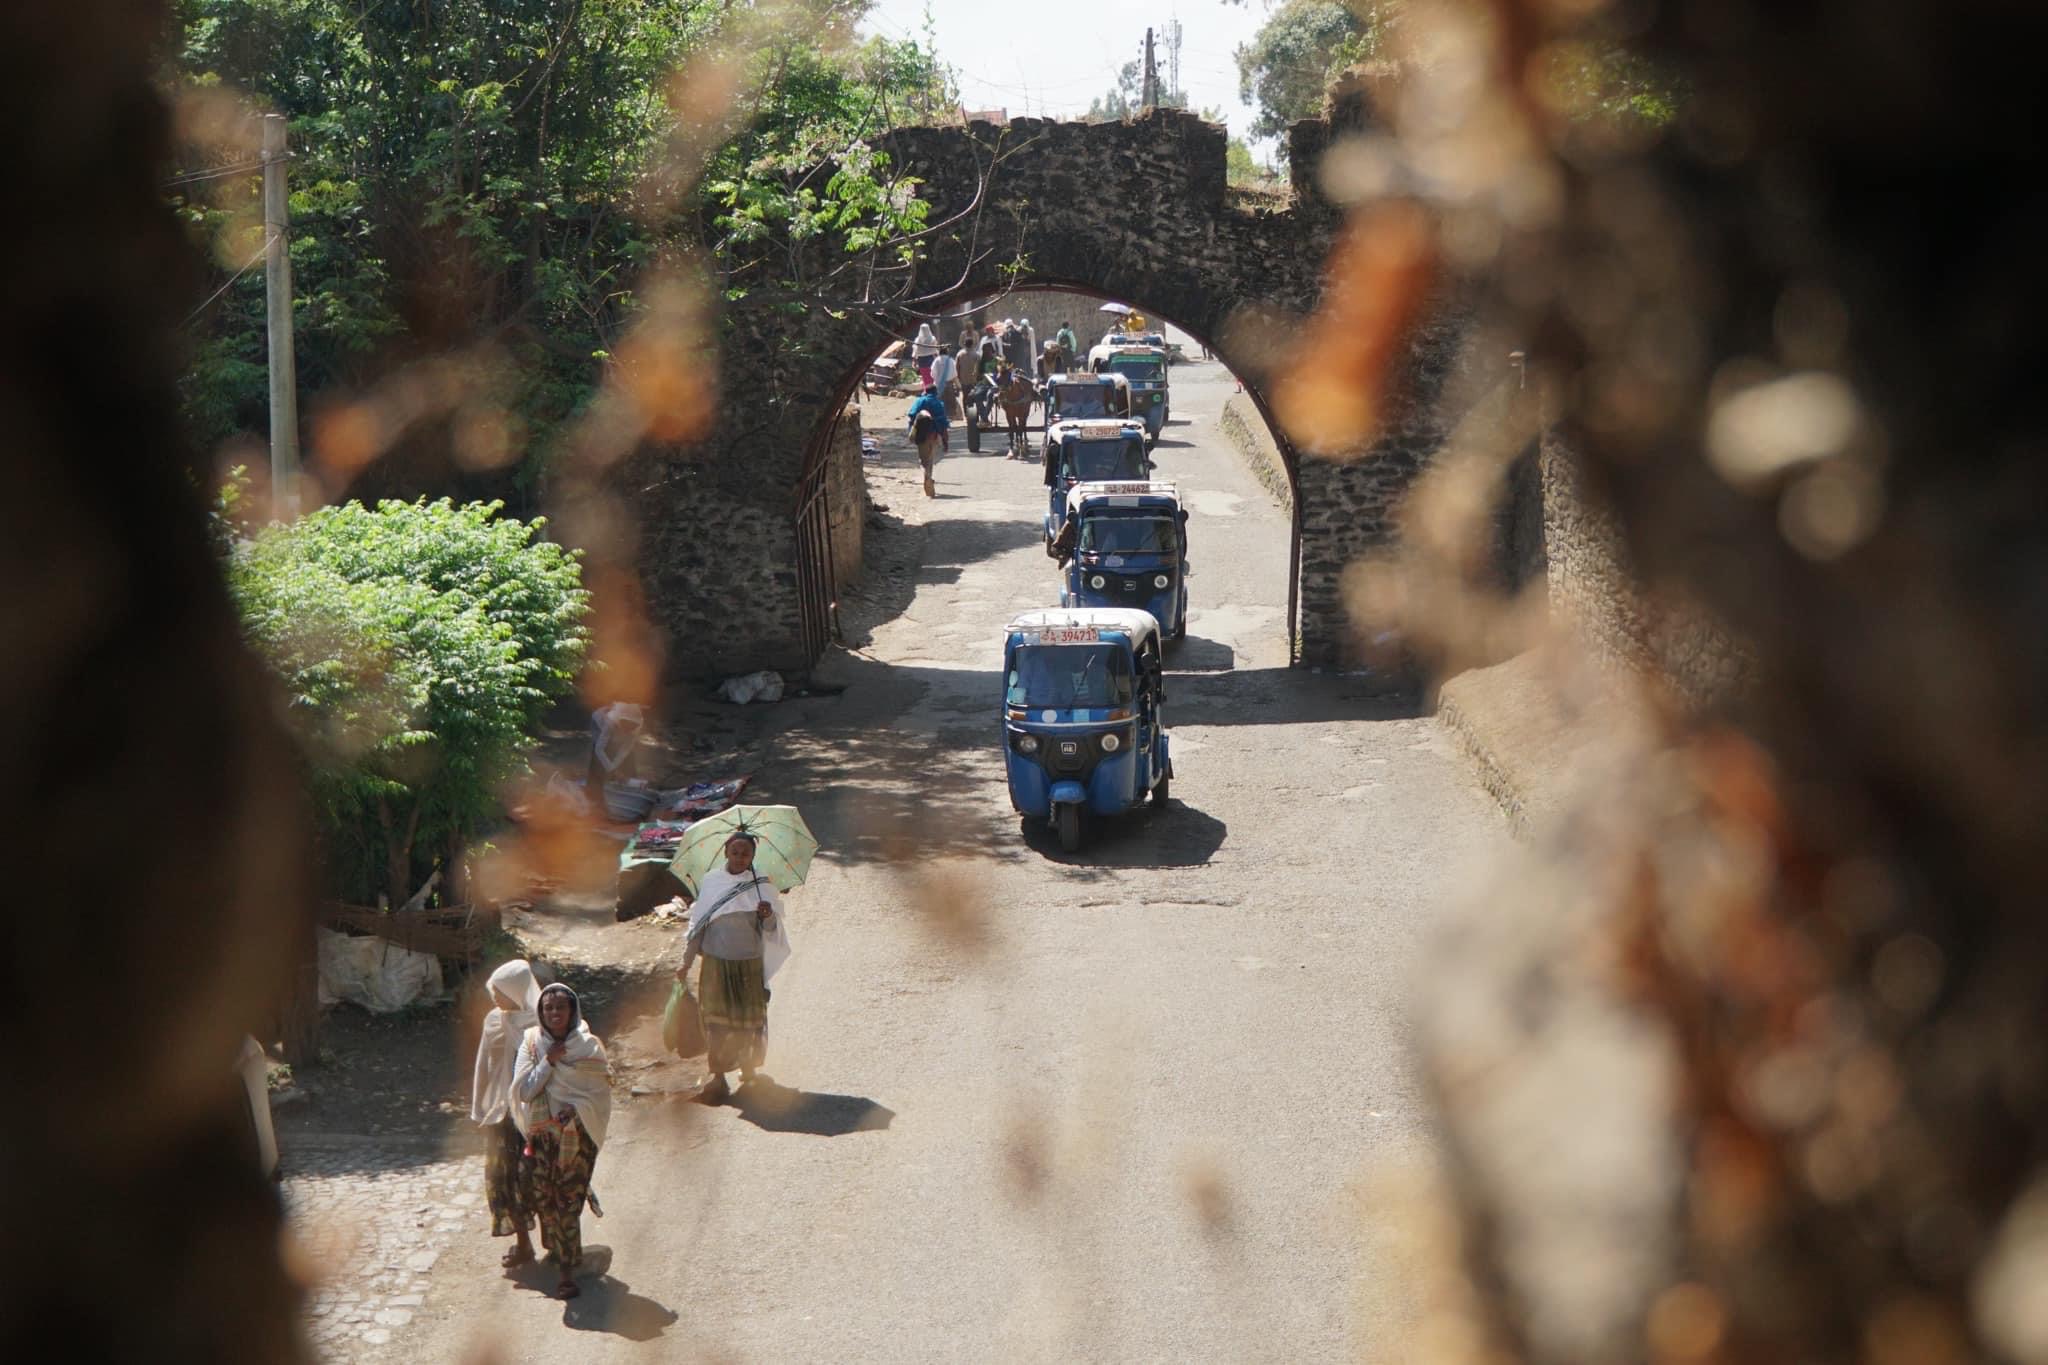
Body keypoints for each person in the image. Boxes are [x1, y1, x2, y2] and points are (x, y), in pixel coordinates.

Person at [512, 982, 612, 1299]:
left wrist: (577, 1111)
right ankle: (562, 1253)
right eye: (548, 1008)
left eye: (560, 1008)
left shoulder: (590, 1047)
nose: (554, 1013)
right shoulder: (531, 1044)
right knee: (547, 1201)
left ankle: (566, 1274)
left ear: (572, 1011)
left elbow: (599, 1095)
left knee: (568, 1202)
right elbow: (525, 1091)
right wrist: (549, 1062)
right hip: (542, 1139)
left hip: (578, 1137)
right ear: (541, 1013)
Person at [678, 832, 790, 1106]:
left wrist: (767, 915)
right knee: (716, 1024)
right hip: (716, 965)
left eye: (746, 853)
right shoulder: (711, 882)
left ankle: (749, 1069)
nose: (740, 857)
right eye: (735, 851)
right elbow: (698, 925)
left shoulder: (762, 885)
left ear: (753, 857)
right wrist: (686, 961)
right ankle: (718, 1078)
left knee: (749, 1022)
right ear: (726, 852)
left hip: (749, 966)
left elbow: (772, 930)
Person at [472, 959, 542, 1269]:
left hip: (534, 1115)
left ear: (516, 992)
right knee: (505, 1178)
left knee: (540, 1179)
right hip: (501, 1114)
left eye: (500, 992)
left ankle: (557, 1242)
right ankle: (523, 1244)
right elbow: (483, 1064)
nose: (494, 998)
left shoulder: (542, 1021)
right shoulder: (493, 1021)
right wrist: (479, 1109)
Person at [907, 383, 949, 497]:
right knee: (930, 459)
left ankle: (927, 478)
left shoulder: (919, 401)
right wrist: (946, 441)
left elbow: (911, 416)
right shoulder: (939, 403)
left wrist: (911, 433)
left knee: (924, 460)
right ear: (935, 392)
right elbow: (944, 424)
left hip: (921, 436)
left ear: (925, 391)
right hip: (934, 435)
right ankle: (929, 478)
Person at [997, 366, 1036, 459]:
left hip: (1022, 403)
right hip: (1007, 398)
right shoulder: (1001, 378)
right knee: (1011, 425)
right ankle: (1011, 448)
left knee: (1022, 424)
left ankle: (1021, 445)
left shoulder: (1018, 382)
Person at [928, 346, 959, 419]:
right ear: (947, 352)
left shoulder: (936, 361)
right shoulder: (951, 360)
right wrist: (958, 386)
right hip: (949, 384)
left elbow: (932, 373)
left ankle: (940, 417)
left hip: (938, 385)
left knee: (939, 402)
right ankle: (949, 417)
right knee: (949, 403)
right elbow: (954, 374)